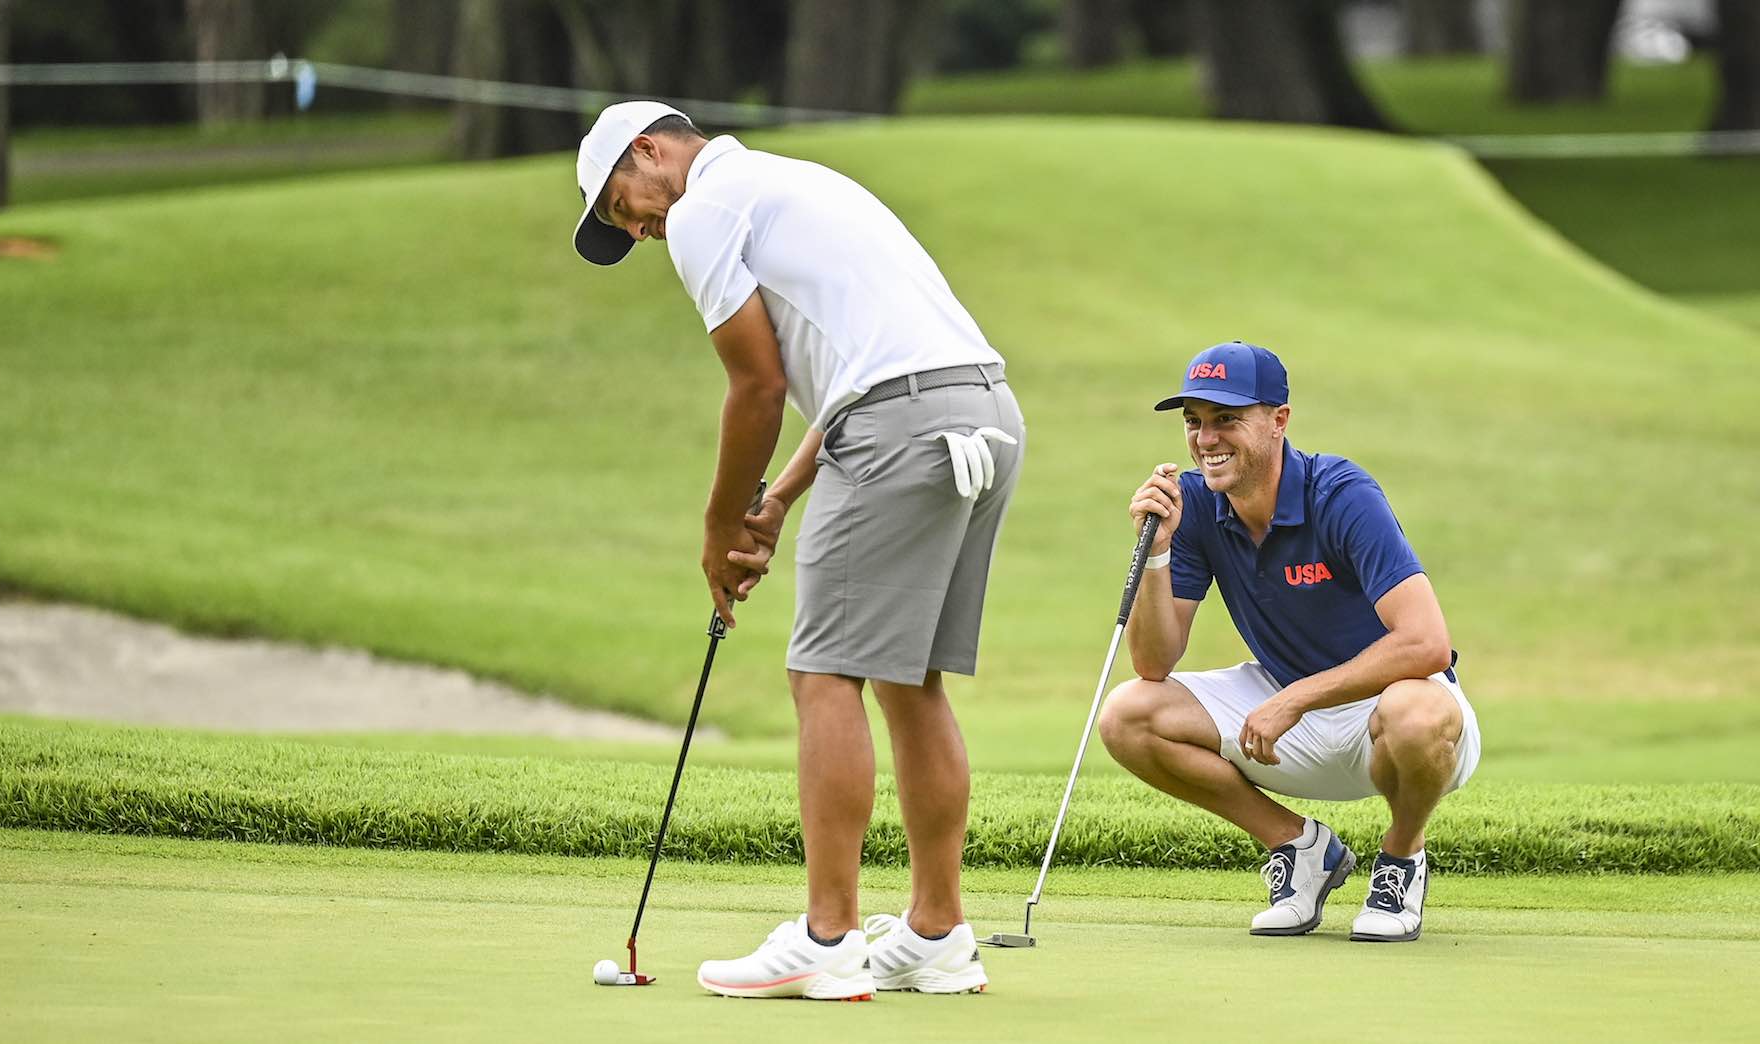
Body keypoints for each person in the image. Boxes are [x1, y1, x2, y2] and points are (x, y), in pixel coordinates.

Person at [571, 101, 1023, 997]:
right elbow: (863, 366)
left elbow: (759, 386)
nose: (641, 231)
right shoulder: (793, 182)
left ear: (648, 150)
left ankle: (828, 937)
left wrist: (719, 526)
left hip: (899, 426)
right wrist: (776, 497)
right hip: (984, 412)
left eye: (625, 207)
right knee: (909, 680)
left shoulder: (702, 210)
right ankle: (936, 933)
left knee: (823, 674)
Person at [1098, 341, 1480, 943]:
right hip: (1286, 709)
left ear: (1279, 420)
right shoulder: (1193, 505)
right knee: (1128, 714)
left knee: (1418, 712)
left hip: (1387, 711)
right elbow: (1153, 661)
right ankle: (1300, 848)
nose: (1206, 439)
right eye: (1194, 421)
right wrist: (1158, 552)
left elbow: (1427, 644)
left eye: (1227, 419)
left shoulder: (1341, 493)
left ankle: (1402, 856)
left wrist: (1295, 698)